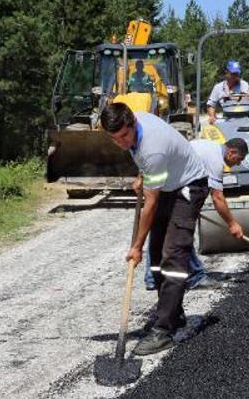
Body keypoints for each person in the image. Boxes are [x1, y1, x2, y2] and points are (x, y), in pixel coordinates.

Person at [100, 102, 208, 356]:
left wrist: (136, 246)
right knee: (157, 255)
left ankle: (164, 330)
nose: (122, 143)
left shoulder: (152, 149)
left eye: (124, 136)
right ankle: (173, 310)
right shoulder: (133, 127)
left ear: (133, 123)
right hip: (168, 183)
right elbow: (144, 163)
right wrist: (144, 176)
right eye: (114, 139)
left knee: (173, 254)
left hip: (188, 187)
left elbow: (150, 205)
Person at [143, 138, 249, 290]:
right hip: (172, 188)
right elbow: (218, 197)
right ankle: (195, 277)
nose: (238, 163)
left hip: (163, 186)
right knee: (182, 234)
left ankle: (152, 278)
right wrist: (232, 223)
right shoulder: (215, 160)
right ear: (231, 152)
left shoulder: (207, 146)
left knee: (160, 234)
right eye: (239, 159)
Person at [206, 60, 249, 125]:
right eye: (233, 73)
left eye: (237, 74)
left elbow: (245, 98)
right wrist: (212, 116)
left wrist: (233, 97)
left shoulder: (243, 84)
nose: (235, 76)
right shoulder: (218, 87)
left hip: (244, 117)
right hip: (227, 119)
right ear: (227, 72)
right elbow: (211, 105)